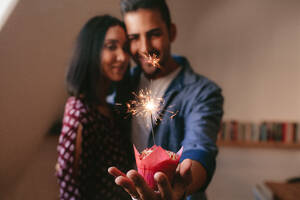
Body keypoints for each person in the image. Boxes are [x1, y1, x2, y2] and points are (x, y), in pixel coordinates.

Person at [108, 0, 224, 200]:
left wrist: (181, 185)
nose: (145, 48)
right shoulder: (121, 84)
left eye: (154, 34)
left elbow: (200, 149)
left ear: (171, 32)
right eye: (134, 37)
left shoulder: (202, 92)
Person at [55, 15, 132, 200]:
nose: (122, 57)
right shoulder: (79, 112)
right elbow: (70, 190)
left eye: (125, 48)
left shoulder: (108, 109)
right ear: (92, 50)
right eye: (111, 46)